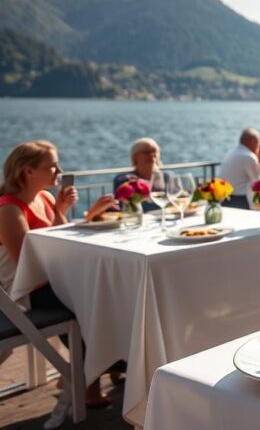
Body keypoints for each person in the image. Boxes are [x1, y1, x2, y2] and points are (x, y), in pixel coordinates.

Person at [0, 141, 116, 409]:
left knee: (101, 294)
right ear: (28, 171)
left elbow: (60, 240)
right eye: (52, 165)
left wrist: (63, 212)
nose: (59, 170)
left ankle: (89, 371)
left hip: (45, 280)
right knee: (88, 304)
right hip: (21, 292)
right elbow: (28, 267)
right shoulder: (9, 210)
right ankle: (84, 379)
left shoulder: (45, 198)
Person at [113, 137, 162, 212]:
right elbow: (120, 205)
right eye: (146, 152)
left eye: (154, 151)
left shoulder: (167, 177)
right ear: (135, 156)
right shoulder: (124, 180)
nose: (152, 154)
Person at [219, 128, 260, 208]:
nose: (259, 149)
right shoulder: (249, 157)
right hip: (240, 201)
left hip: (224, 200)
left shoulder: (231, 153)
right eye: (259, 145)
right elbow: (258, 182)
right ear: (253, 142)